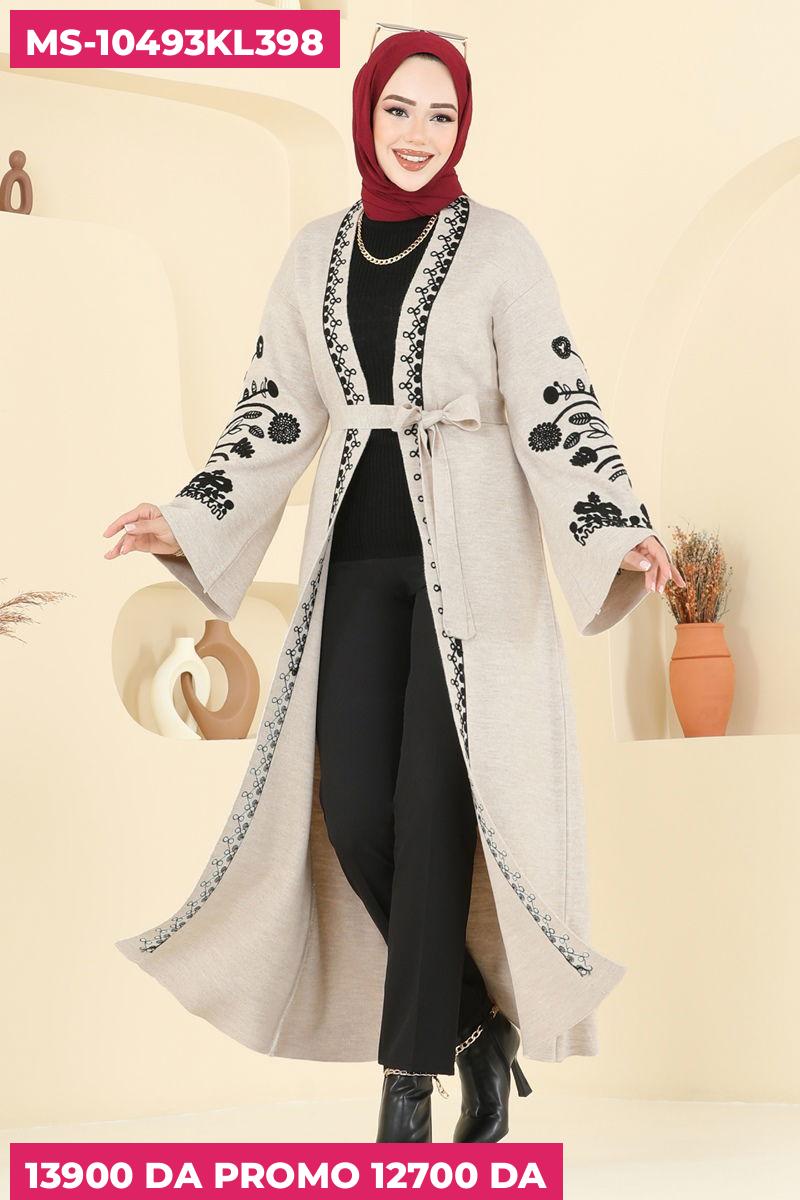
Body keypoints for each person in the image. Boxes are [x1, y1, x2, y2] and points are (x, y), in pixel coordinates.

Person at [106, 28, 686, 1145]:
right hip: (357, 564)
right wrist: (190, 514)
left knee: (432, 814)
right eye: (398, 110)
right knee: (355, 806)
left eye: (440, 114)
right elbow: (275, 407)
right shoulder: (312, 255)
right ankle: (475, 1026)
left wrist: (615, 528)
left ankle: (407, 1085)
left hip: (476, 575)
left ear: (462, 127)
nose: (418, 134)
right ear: (365, 112)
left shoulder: (502, 249)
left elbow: (557, 400)